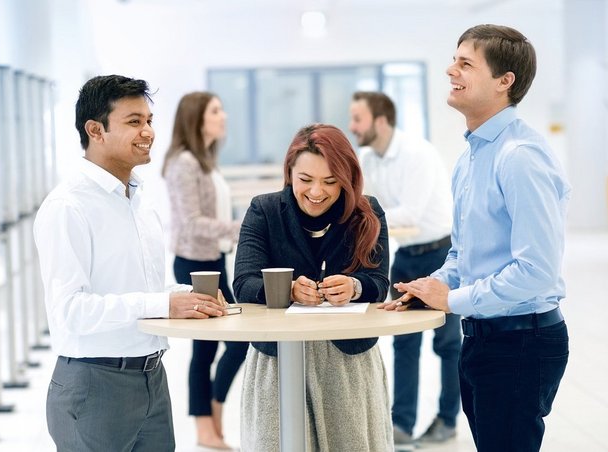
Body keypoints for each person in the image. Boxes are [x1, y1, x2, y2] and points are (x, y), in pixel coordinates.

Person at [382, 24, 571, 452]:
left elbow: (536, 272)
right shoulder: (471, 157)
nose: (452, 70)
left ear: (506, 82)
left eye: (466, 63)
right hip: (484, 338)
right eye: (455, 59)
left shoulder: (519, 158)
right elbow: (463, 254)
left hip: (522, 342)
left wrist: (451, 301)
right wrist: (432, 287)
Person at [33, 75, 228, 452]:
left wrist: (188, 296)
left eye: (149, 120)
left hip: (152, 379)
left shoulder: (138, 199)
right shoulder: (67, 207)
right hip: (94, 386)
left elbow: (142, 290)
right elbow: (69, 310)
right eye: (134, 121)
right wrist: (162, 303)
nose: (149, 132)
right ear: (95, 130)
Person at [234, 123, 392, 451]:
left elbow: (378, 283)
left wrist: (354, 286)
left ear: (347, 179)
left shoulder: (367, 212)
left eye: (330, 182)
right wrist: (286, 290)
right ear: (289, 172)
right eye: (305, 180)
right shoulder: (263, 211)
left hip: (347, 361)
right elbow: (243, 283)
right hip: (277, 359)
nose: (316, 192)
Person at [349, 91, 461, 449]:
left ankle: (447, 420)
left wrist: (367, 217)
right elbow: (363, 207)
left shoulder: (417, 154)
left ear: (380, 121)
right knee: (404, 343)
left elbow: (406, 213)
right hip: (407, 257)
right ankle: (401, 426)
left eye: (358, 119)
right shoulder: (368, 158)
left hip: (442, 255)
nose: (353, 127)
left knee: (447, 344)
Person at [162, 91, 248, 450]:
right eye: (216, 110)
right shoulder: (183, 163)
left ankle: (212, 414)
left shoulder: (204, 161)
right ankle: (205, 426)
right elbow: (191, 222)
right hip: (195, 264)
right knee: (208, 348)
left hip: (213, 260)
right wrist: (239, 227)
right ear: (197, 118)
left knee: (231, 343)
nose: (223, 116)